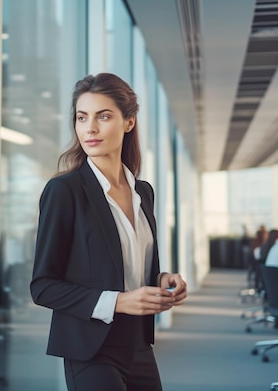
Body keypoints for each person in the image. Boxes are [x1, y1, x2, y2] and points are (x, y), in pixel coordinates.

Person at [30, 73, 187, 391]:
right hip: (91, 348)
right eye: (81, 117)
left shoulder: (143, 192)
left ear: (129, 122)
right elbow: (43, 287)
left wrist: (161, 282)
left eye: (103, 116)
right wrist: (119, 302)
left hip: (139, 345)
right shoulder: (65, 191)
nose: (90, 128)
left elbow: (124, 269)